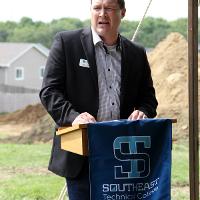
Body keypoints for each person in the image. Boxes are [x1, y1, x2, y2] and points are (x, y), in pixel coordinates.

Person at [39, 0, 158, 199]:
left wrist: (143, 112)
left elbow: (149, 98)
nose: (102, 14)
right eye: (97, 8)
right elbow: (49, 91)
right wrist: (73, 117)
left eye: (109, 8)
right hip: (80, 154)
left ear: (123, 12)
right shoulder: (67, 43)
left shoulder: (137, 53)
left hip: (122, 157)